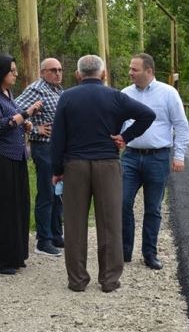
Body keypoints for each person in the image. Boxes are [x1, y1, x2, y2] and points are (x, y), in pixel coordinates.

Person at [50, 55, 155, 292]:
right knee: (109, 223)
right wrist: (125, 138)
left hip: (75, 165)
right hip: (107, 163)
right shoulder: (116, 96)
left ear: (78, 75)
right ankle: (109, 280)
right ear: (103, 74)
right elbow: (148, 115)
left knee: (75, 223)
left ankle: (77, 280)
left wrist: (57, 170)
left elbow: (58, 137)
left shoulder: (67, 97)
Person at [121, 53, 189, 270]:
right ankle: (124, 251)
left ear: (149, 71)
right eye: (130, 69)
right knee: (122, 203)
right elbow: (117, 124)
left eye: (135, 69)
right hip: (130, 157)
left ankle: (149, 253)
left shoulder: (168, 93)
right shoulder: (125, 94)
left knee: (153, 208)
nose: (130, 73)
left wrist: (179, 156)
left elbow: (180, 125)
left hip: (157, 158)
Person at [0, 54, 43, 275]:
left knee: (18, 207)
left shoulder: (7, 94)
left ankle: (15, 255)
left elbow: (13, 121)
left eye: (15, 70)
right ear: (0, 72)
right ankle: (0, 259)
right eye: (11, 71)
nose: (15, 74)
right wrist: (25, 113)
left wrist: (24, 123)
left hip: (16, 157)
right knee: (2, 209)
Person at [15, 58, 64, 256]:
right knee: (46, 193)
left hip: (57, 148)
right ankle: (43, 241)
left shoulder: (58, 90)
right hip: (43, 148)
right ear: (43, 72)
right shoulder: (37, 89)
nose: (58, 73)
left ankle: (55, 234)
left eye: (60, 69)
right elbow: (14, 109)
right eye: (53, 70)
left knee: (57, 193)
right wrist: (34, 128)